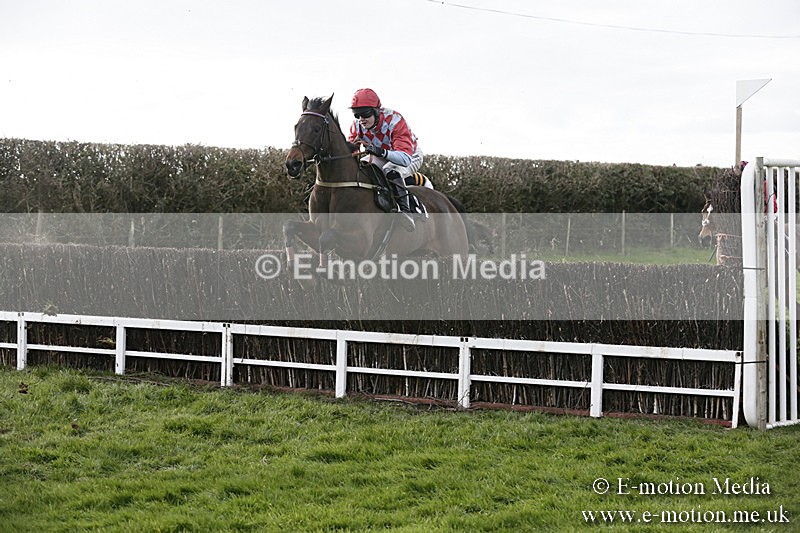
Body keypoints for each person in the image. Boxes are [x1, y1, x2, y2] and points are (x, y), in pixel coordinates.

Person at [348, 88, 422, 231]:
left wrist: (379, 151)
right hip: (383, 154)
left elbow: (404, 159)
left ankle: (406, 212)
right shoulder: (357, 125)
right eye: (357, 114)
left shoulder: (395, 121)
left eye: (365, 114)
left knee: (390, 169)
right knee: (364, 168)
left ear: (376, 111)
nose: (361, 119)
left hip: (410, 155)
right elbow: (351, 151)